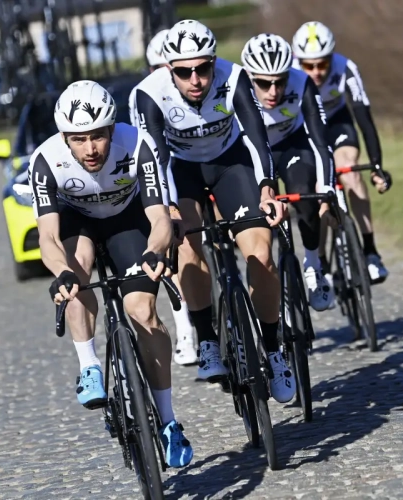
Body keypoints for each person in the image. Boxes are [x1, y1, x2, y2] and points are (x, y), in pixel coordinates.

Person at [130, 19, 297, 404]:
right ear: (169, 69)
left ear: (213, 63)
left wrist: (267, 188)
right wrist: (167, 208)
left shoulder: (233, 77)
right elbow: (153, 158)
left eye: (203, 68)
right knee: (187, 245)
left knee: (261, 255)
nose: (195, 79)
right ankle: (206, 339)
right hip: (179, 170)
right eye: (184, 71)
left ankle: (274, 350)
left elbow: (256, 137)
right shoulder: (148, 94)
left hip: (230, 163)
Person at [28, 80, 193, 468]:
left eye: (98, 137)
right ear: (64, 137)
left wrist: (154, 250)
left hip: (127, 220)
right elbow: (48, 236)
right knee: (77, 268)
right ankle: (89, 366)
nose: (91, 149)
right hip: (77, 223)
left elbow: (159, 217)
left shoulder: (137, 144)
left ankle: (168, 420)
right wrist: (61, 272)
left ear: (112, 128)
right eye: (79, 139)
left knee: (142, 311)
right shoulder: (46, 159)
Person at [240, 33, 336, 311]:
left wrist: (326, 188)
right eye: (264, 83)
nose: (273, 91)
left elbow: (320, 140)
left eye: (280, 82)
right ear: (249, 75)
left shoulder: (302, 81)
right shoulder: (234, 86)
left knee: (305, 193)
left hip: (291, 145)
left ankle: (313, 265)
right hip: (253, 152)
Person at [291, 21, 392, 284]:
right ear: (298, 61)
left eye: (322, 64)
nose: (315, 72)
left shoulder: (345, 68)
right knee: (318, 187)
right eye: (308, 65)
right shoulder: (288, 72)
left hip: (337, 122)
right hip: (304, 128)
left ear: (331, 58)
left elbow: (364, 118)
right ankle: (321, 259)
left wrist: (377, 165)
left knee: (350, 171)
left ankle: (371, 251)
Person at [129, 29, 198, 367]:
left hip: (198, 162)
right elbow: (152, 159)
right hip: (165, 175)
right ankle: (185, 327)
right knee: (175, 242)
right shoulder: (143, 97)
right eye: (157, 68)